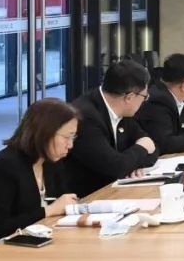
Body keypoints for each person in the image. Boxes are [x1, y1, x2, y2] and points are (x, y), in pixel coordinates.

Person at [0, 99, 81, 254]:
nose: (70, 145)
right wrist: (48, 211)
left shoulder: (50, 162)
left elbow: (60, 204)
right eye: (67, 137)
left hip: (31, 246)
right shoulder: (3, 168)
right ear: (44, 133)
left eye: (73, 137)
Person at [65, 60, 159, 197]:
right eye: (144, 96)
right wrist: (140, 150)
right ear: (129, 97)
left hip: (115, 191)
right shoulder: (85, 116)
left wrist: (134, 164)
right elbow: (115, 167)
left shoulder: (124, 111)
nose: (145, 101)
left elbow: (153, 148)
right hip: (87, 197)